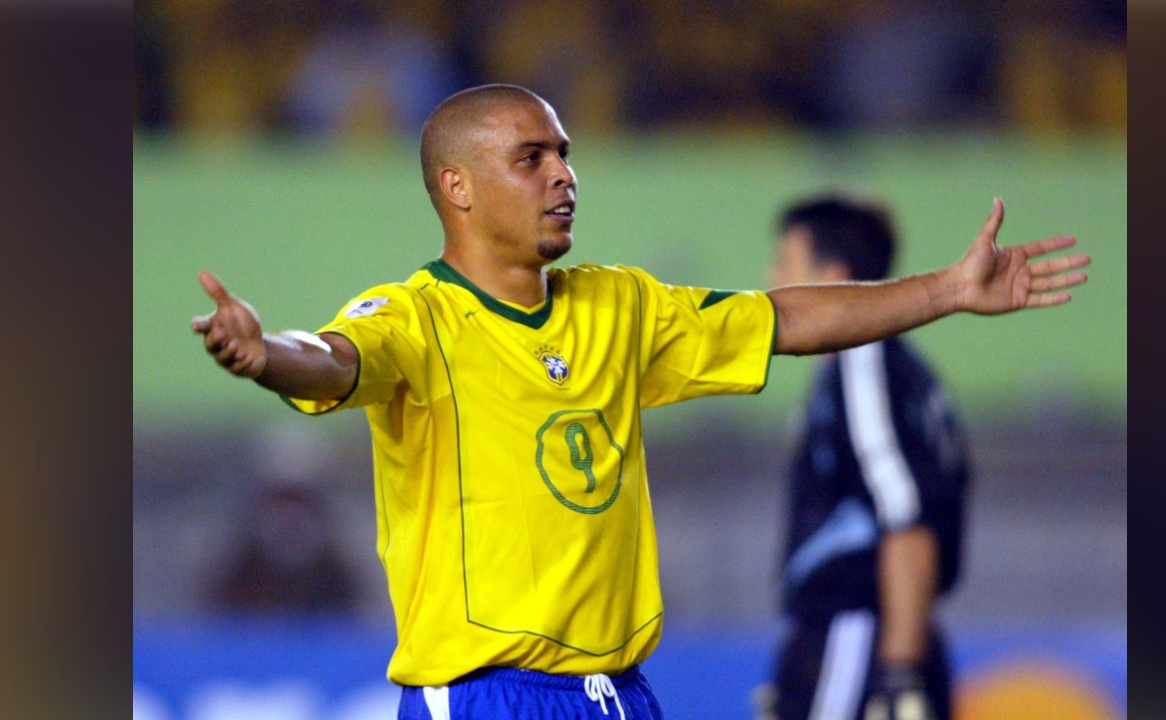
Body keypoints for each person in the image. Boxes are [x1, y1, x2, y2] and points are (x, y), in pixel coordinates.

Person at [191, 84, 1089, 720]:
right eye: (531, 157)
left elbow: (782, 318)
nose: (562, 176)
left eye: (566, 156)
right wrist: (262, 353)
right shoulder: (416, 319)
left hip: (623, 692)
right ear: (457, 187)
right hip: (485, 696)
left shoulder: (617, 306)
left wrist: (948, 290)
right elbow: (331, 359)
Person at [758, 196, 970, 720]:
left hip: (855, 636)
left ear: (831, 277)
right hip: (869, 637)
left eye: (785, 263)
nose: (768, 279)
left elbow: (907, 519)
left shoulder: (863, 362)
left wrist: (898, 676)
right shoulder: (899, 372)